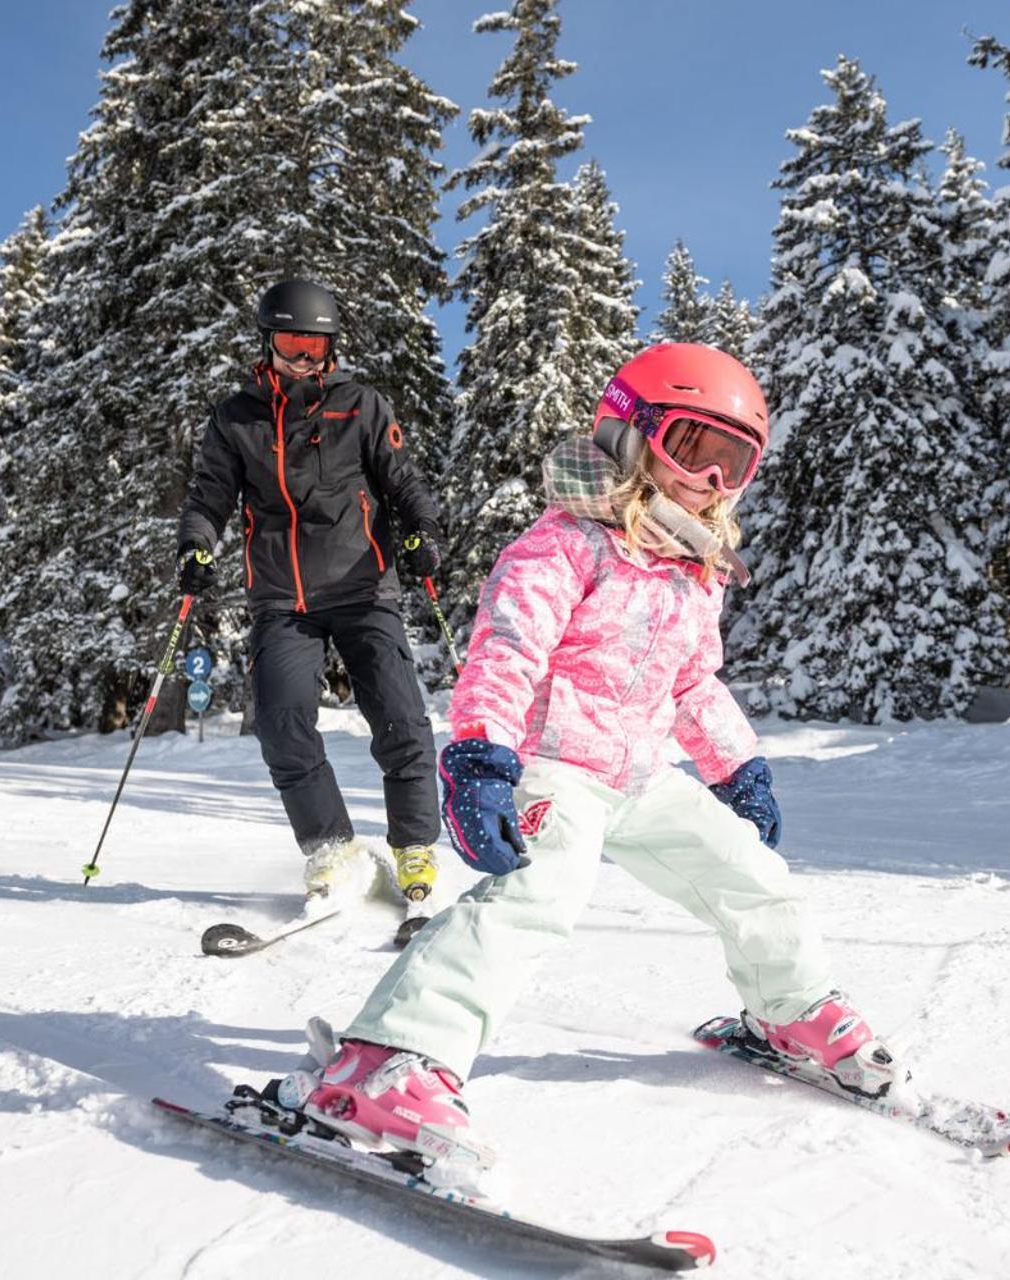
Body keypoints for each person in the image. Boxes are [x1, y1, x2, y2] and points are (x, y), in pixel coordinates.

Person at [266, 343, 906, 1191]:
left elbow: (691, 682)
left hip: (637, 775)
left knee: (753, 876)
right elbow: (507, 648)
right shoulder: (564, 544)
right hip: (550, 764)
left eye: (734, 464)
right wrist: (481, 754)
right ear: (632, 436)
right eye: (694, 451)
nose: (712, 483)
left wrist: (738, 769)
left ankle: (793, 1014)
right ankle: (387, 1062)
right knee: (539, 896)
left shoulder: (695, 571)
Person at [177, 279, 445, 926]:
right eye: (291, 343)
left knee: (401, 716)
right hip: (281, 597)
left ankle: (414, 847)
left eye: (315, 345)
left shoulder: (360, 406)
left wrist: (421, 531)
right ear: (267, 344)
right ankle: (330, 848)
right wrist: (196, 544)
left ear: (331, 349)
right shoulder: (235, 419)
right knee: (280, 720)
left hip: (363, 587)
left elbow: (403, 478)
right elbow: (209, 495)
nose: (303, 358)